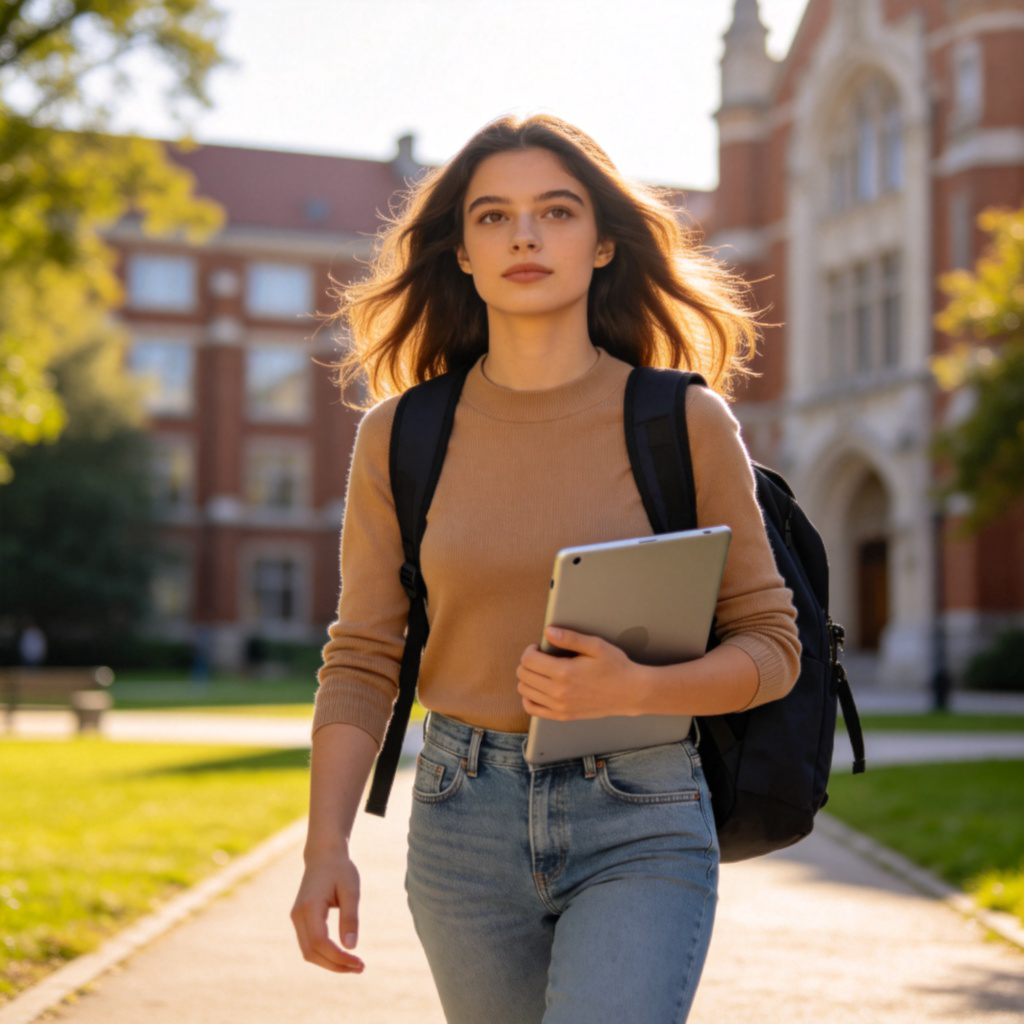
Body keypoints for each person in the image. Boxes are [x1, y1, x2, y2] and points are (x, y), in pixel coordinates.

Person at [291, 114, 801, 1023]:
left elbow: (773, 647)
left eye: (556, 211)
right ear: (461, 253)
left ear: (604, 242)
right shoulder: (400, 436)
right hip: (460, 819)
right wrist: (324, 846)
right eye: (493, 217)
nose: (524, 235)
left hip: (641, 808)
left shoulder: (683, 421)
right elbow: (363, 655)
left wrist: (639, 689)